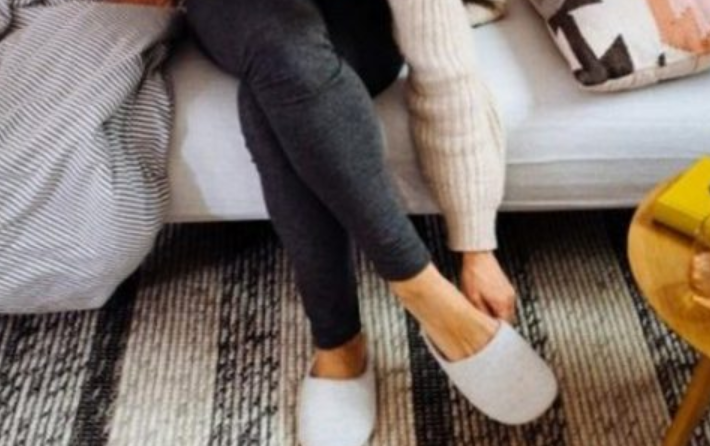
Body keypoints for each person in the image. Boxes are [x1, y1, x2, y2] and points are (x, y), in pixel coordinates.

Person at [186, 0, 557, 445]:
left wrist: (476, 247)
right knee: (276, 46)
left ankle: (337, 342)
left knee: (277, 81)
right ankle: (422, 292)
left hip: (354, 18)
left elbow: (445, 72)